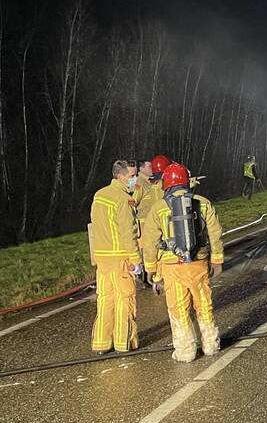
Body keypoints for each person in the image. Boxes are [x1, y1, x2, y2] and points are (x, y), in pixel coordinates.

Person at [143, 162, 224, 362]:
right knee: (203, 304)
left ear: (166, 184)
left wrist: (151, 269)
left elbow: (150, 242)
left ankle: (186, 352)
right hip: (198, 262)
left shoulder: (159, 208)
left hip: (172, 267)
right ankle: (211, 345)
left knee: (179, 308)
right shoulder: (203, 203)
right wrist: (217, 260)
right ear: (187, 182)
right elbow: (215, 233)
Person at [89, 160, 143, 354]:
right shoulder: (123, 199)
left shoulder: (99, 195)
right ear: (120, 177)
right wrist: (136, 260)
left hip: (102, 257)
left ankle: (101, 343)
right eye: (132, 176)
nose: (135, 179)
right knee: (124, 299)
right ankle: (123, 342)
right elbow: (128, 233)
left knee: (105, 299)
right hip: (120, 257)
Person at [132, 155, 169, 288]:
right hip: (144, 225)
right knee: (146, 250)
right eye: (149, 166)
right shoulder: (139, 184)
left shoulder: (151, 182)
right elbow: (132, 201)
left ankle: (155, 274)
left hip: (153, 222)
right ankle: (144, 277)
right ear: (141, 168)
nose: (152, 168)